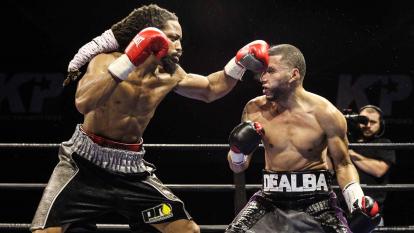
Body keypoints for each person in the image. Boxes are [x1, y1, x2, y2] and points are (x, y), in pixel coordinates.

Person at [30, 4, 269, 233]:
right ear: (149, 36)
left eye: (180, 39)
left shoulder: (170, 75)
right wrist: (130, 58)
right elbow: (83, 102)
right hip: (83, 165)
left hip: (132, 170)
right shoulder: (108, 61)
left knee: (185, 229)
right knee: (46, 231)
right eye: (172, 37)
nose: (179, 46)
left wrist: (239, 63)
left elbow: (209, 89)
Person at [225, 44, 380, 233]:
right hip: (269, 201)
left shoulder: (326, 114)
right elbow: (238, 166)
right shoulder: (254, 110)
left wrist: (356, 200)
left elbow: (343, 165)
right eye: (263, 72)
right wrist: (237, 151)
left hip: (317, 203)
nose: (262, 78)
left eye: (271, 71)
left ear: (294, 75)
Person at [348, 105, 396, 225]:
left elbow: (379, 170)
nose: (368, 125)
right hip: (344, 208)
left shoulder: (384, 144)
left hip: (370, 211)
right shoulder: (347, 141)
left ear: (381, 124)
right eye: (363, 121)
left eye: (373, 122)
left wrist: (349, 153)